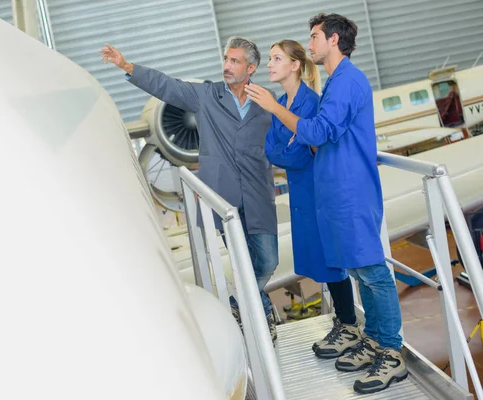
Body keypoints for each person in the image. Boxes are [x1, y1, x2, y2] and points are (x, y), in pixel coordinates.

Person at [245, 14, 407, 394]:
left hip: (351, 190)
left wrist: (274, 107)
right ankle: (375, 339)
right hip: (336, 190)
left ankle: (392, 352)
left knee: (372, 270)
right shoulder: (337, 82)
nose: (311, 43)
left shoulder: (348, 81)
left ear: (333, 40)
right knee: (358, 270)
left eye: (314, 37)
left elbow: (318, 131)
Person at [100, 37, 280, 341]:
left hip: (258, 191)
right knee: (243, 261)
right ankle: (262, 316)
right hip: (223, 196)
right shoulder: (206, 95)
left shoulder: (266, 100)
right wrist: (127, 65)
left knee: (268, 261)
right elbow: (166, 86)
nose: (226, 66)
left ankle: (240, 303)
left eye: (235, 61)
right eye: (226, 59)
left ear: (251, 67)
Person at [263, 39, 360, 359]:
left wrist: (294, 145)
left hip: (317, 191)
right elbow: (274, 152)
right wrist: (294, 143)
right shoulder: (280, 102)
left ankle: (348, 324)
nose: (270, 64)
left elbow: (304, 151)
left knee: (332, 260)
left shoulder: (312, 102)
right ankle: (344, 322)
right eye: (269, 59)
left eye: (277, 58)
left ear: (295, 65)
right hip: (302, 194)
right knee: (320, 259)